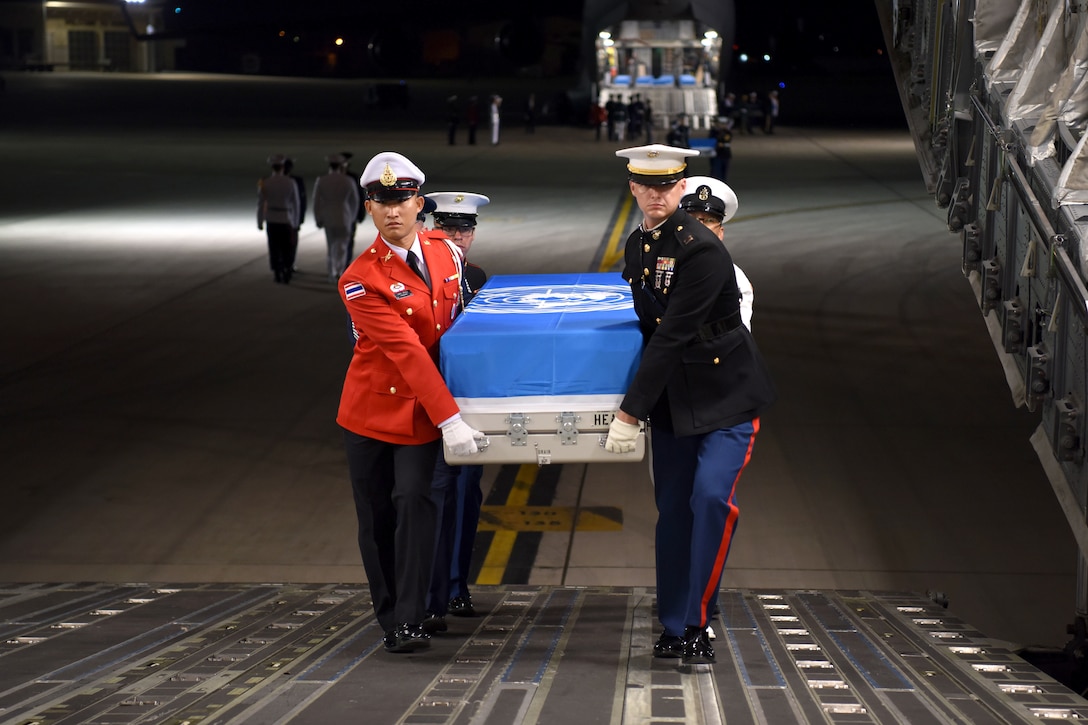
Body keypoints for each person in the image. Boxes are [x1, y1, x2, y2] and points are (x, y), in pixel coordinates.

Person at [604, 144, 776, 667]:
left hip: (726, 400)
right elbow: (642, 326)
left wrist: (629, 412)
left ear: (681, 188)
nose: (656, 195)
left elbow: (673, 334)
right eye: (645, 185)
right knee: (673, 512)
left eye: (667, 186)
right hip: (677, 401)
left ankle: (698, 624)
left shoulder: (701, 249)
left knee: (708, 501)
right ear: (633, 188)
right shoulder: (638, 245)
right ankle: (674, 622)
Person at [337, 151, 485, 654]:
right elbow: (406, 352)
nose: (393, 211)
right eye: (381, 201)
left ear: (419, 203)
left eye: (401, 200)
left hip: (424, 412)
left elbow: (461, 323)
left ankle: (412, 615)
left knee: (416, 505)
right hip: (373, 414)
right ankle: (393, 613)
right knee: (379, 520)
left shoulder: (447, 252)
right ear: (368, 208)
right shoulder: (360, 279)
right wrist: (453, 418)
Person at [421, 191, 490, 631]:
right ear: (431, 229)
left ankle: (456, 585)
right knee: (433, 499)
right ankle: (429, 596)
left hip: (471, 408)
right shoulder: (419, 274)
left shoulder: (478, 277)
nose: (458, 237)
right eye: (448, 228)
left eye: (465, 228)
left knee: (466, 497)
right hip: (429, 407)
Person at [679, 176, 753, 331]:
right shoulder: (662, 265)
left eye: (708, 220)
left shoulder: (736, 280)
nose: (699, 228)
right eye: (691, 220)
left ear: (720, 233)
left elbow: (736, 336)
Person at [312, 153, 360, 283]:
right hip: (344, 216)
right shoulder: (348, 180)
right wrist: (352, 217)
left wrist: (318, 217)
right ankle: (340, 271)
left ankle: (332, 272)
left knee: (331, 245)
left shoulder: (322, 180)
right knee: (342, 247)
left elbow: (316, 202)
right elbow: (355, 201)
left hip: (328, 217)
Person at [256, 153, 300, 284]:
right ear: (282, 167)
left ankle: (277, 272)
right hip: (286, 218)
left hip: (271, 219)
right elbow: (296, 203)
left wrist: (260, 221)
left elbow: (260, 203)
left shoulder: (265, 182)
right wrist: (295, 222)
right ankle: (286, 270)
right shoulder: (290, 182)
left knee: (274, 247)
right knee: (287, 247)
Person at [284, 157, 306, 274]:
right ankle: (287, 264)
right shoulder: (295, 181)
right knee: (289, 243)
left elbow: (302, 201)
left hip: (292, 216)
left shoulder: (297, 180)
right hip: (290, 216)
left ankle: (289, 264)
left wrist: (300, 218)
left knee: (291, 243)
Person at [708, 117, 733, 183]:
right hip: (716, 155)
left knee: (724, 173)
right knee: (715, 173)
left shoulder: (727, 132)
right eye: (721, 124)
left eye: (724, 124)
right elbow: (711, 141)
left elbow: (726, 141)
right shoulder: (714, 132)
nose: (722, 125)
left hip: (725, 155)